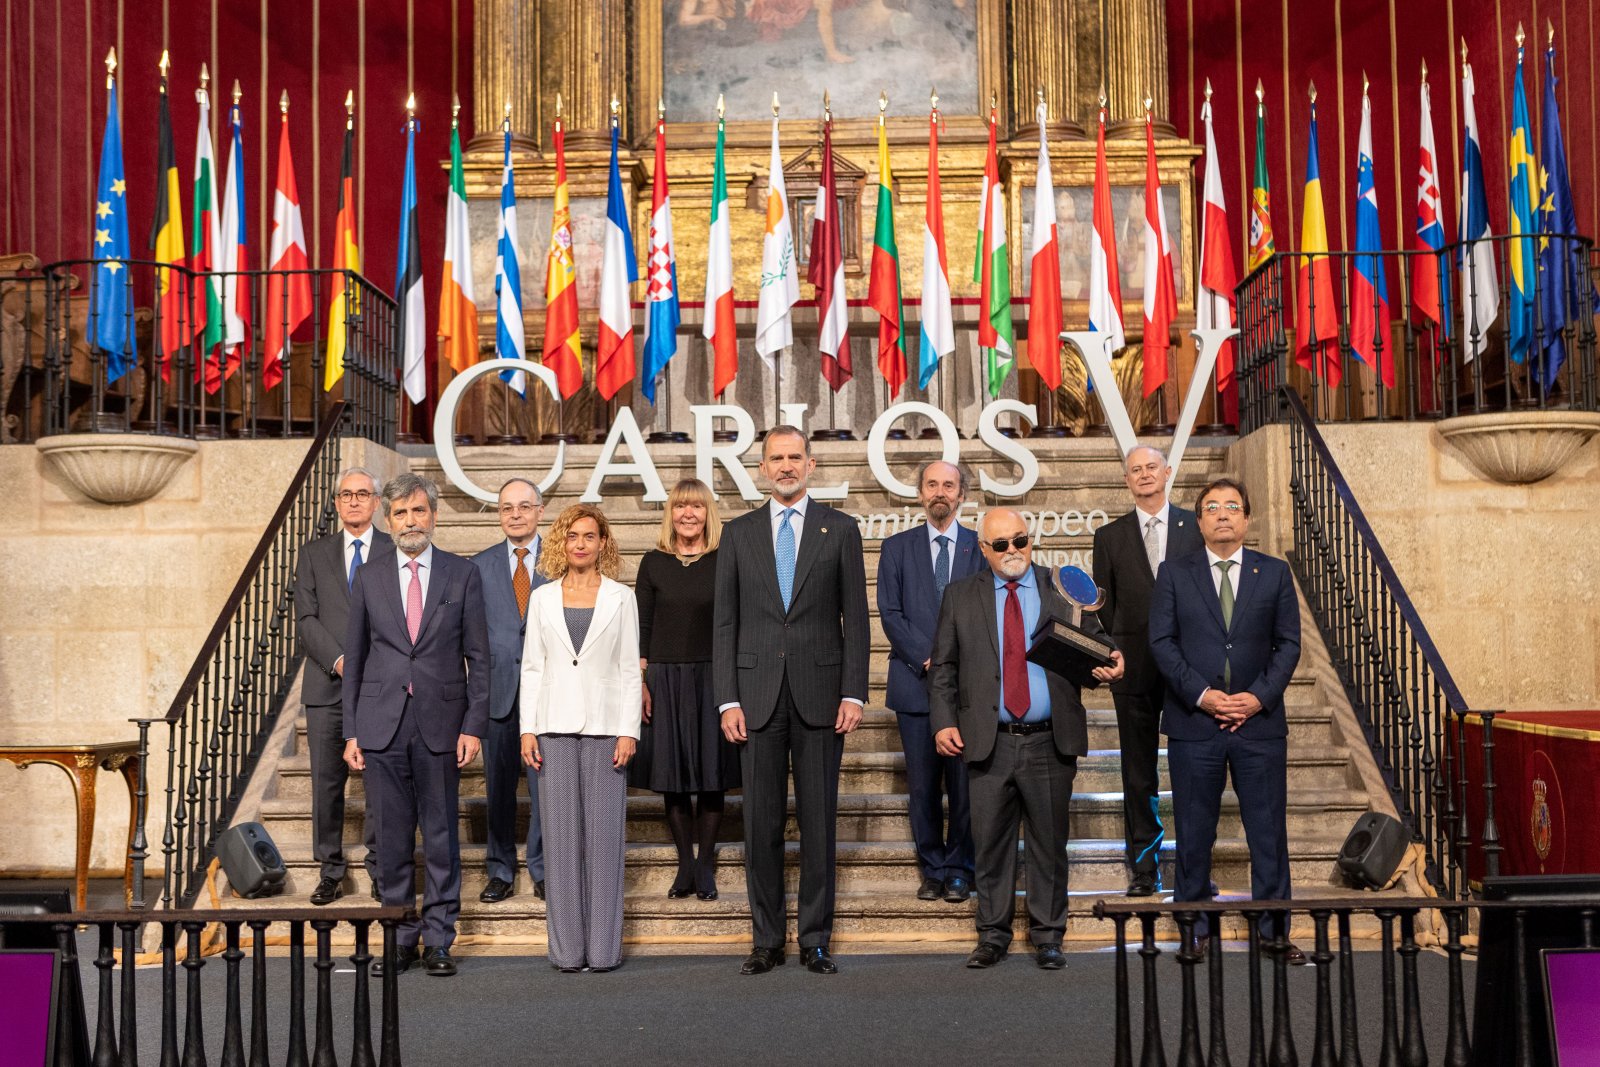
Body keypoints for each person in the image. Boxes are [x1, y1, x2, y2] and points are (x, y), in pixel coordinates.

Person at [930, 508, 1124, 970]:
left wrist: (1113, 659)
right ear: (984, 549)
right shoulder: (960, 595)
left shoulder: (1061, 587)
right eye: (1001, 544)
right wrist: (942, 722)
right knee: (990, 846)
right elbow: (944, 668)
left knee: (1049, 845)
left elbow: (1096, 641)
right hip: (989, 740)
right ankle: (992, 935)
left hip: (1048, 741)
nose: (1013, 550)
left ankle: (1049, 935)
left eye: (1020, 540)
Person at [714, 425, 869, 976]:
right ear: (762, 468)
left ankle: (815, 939)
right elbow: (725, 623)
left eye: (794, 457)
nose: (785, 466)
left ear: (811, 464)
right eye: (776, 458)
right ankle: (767, 939)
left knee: (818, 823)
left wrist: (854, 691)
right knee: (761, 826)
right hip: (755, 698)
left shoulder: (841, 529)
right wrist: (727, 700)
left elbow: (856, 619)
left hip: (822, 697)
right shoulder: (738, 533)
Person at [1147, 478, 1304, 963]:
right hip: (1195, 725)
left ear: (1246, 519)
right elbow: (1162, 643)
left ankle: (1274, 932)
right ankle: (1193, 928)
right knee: (1195, 833)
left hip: (1259, 726)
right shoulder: (1175, 573)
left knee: (1268, 834)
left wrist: (1257, 698)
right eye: (1212, 507)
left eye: (1232, 506)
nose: (1222, 514)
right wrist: (1203, 695)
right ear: (1199, 521)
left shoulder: (1274, 573)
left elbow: (1288, 645)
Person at [343, 473, 488, 978]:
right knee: (391, 839)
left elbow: (479, 658)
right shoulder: (369, 577)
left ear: (434, 516)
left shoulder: (462, 574)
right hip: (381, 725)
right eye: (401, 513)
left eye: (419, 511)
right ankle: (400, 937)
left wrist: (473, 725)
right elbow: (356, 659)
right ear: (388, 520)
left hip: (441, 725)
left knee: (442, 835)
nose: (410, 521)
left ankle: (439, 939)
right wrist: (351, 731)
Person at [520, 504, 642, 973]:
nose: (581, 544)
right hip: (552, 728)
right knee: (561, 842)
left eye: (589, 536)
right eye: (573, 536)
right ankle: (567, 951)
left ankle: (604, 951)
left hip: (607, 729)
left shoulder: (621, 598)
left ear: (602, 542)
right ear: (562, 542)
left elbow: (629, 669)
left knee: (605, 842)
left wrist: (629, 729)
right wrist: (527, 728)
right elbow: (533, 667)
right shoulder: (542, 597)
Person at [1092, 445, 1203, 897]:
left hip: (1189, 670)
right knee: (1138, 774)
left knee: (1193, 771)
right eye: (1135, 469)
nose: (1143, 474)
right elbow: (1104, 606)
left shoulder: (1195, 528)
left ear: (1167, 472)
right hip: (1133, 670)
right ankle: (1144, 868)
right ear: (1127, 480)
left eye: (1151, 467)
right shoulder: (1109, 536)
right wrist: (1114, 652)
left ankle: (1195, 869)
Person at [876, 460, 983, 904]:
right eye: (932, 484)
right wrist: (930, 657)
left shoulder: (980, 547)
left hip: (967, 689)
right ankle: (933, 869)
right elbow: (890, 612)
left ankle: (959, 869)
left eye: (949, 485)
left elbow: (986, 612)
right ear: (920, 494)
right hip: (914, 684)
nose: (941, 492)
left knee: (964, 788)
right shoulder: (896, 548)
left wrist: (952, 662)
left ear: (961, 495)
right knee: (922, 788)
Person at [630, 478, 739, 901]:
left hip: (714, 677)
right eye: (679, 506)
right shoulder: (653, 562)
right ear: (670, 513)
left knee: (711, 777)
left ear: (708, 512)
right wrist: (641, 681)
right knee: (673, 779)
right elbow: (642, 626)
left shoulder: (725, 559)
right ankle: (685, 865)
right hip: (664, 680)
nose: (687, 514)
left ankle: (705, 864)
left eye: (696, 506)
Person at [295, 468, 391, 905]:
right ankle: (329, 870)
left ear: (376, 503)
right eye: (346, 494)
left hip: (380, 687)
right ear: (336, 503)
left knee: (379, 785)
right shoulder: (313, 554)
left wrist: (370, 664)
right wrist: (339, 660)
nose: (354, 501)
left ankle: (380, 867)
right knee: (326, 784)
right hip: (326, 686)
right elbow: (306, 618)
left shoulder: (393, 550)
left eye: (362, 494)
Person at [471, 478, 549, 905]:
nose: (515, 514)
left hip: (548, 697)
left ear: (540, 510)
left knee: (544, 790)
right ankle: (500, 870)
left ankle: (543, 869)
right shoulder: (478, 566)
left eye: (523, 506)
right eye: (506, 508)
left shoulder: (560, 561)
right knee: (498, 790)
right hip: (496, 695)